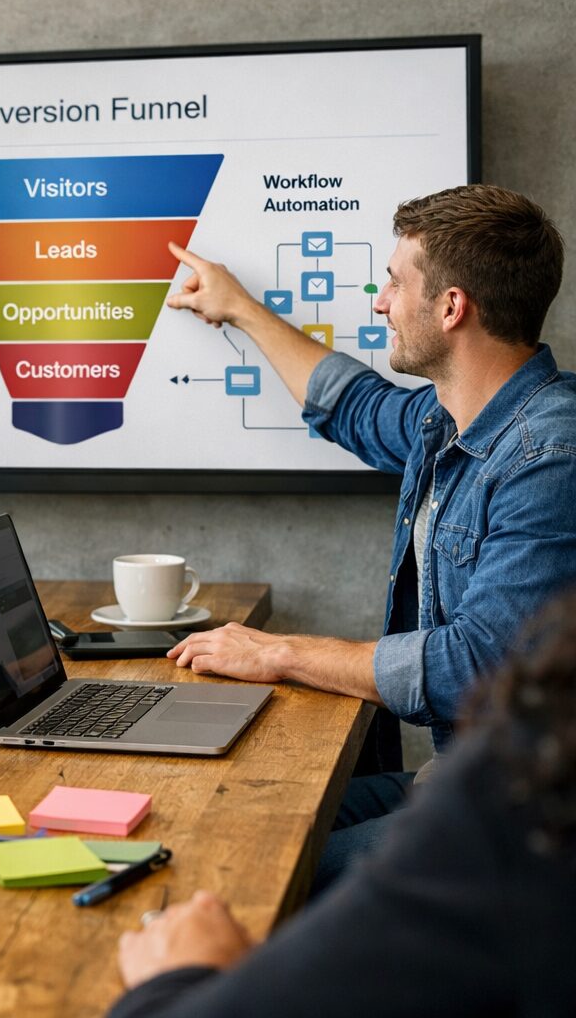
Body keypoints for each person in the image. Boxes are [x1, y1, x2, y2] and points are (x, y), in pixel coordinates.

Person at [160, 185, 576, 884]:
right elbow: (353, 404)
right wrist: (240, 308)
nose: (380, 302)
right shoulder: (449, 420)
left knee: (255, 875)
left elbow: (473, 668)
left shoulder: (549, 456)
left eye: (394, 282)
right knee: (231, 823)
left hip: (523, 817)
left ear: (451, 307)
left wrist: (279, 653)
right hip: (465, 779)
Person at [109, 586, 576, 1017]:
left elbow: (472, 663)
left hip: (496, 808)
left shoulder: (520, 783)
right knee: (232, 827)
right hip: (453, 783)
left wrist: (177, 980)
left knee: (232, 870)